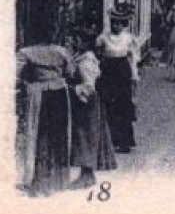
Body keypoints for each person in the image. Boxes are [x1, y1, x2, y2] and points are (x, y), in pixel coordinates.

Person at [16, 41, 78, 196]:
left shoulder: (26, 52)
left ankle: (36, 178)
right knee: (58, 135)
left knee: (36, 133)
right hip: (59, 94)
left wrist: (25, 82)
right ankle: (58, 178)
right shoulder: (61, 51)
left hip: (38, 92)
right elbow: (70, 73)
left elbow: (15, 75)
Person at [67, 28, 118, 188]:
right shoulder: (81, 58)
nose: (73, 43)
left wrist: (72, 89)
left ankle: (87, 175)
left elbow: (89, 86)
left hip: (87, 102)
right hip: (85, 102)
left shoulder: (86, 61)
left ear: (85, 43)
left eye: (76, 40)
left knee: (86, 136)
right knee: (83, 136)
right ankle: (86, 174)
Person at [96, 5, 141, 152]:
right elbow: (98, 56)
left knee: (123, 104)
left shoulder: (129, 39)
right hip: (108, 71)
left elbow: (133, 58)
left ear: (125, 24)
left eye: (120, 23)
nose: (117, 26)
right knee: (109, 103)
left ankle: (124, 141)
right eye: (114, 22)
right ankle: (110, 140)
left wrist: (134, 75)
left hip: (122, 71)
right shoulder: (103, 37)